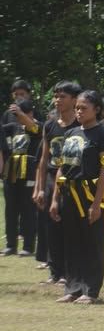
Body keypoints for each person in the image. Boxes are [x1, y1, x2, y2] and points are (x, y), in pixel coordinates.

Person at [50, 90, 104, 304]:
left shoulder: (103, 136)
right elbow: (61, 168)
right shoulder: (71, 134)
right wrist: (54, 199)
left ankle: (90, 290)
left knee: (92, 243)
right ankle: (73, 287)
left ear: (96, 110)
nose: (78, 111)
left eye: (83, 108)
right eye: (77, 107)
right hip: (69, 193)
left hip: (91, 194)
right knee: (71, 242)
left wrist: (96, 204)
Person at [33, 81, 80, 284]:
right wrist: (39, 188)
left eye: (63, 96)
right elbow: (43, 160)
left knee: (69, 228)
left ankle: (69, 273)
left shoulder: (80, 126)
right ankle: (55, 272)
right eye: (56, 96)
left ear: (74, 99)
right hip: (52, 178)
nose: (58, 100)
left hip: (73, 181)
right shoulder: (50, 125)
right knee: (50, 227)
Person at [4, 96, 41, 257]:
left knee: (27, 210)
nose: (17, 118)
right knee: (10, 210)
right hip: (11, 173)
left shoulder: (38, 126)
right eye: (15, 115)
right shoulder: (12, 127)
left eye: (20, 114)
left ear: (29, 112)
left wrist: (21, 114)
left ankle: (28, 246)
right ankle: (11, 245)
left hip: (30, 173)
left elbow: (33, 127)